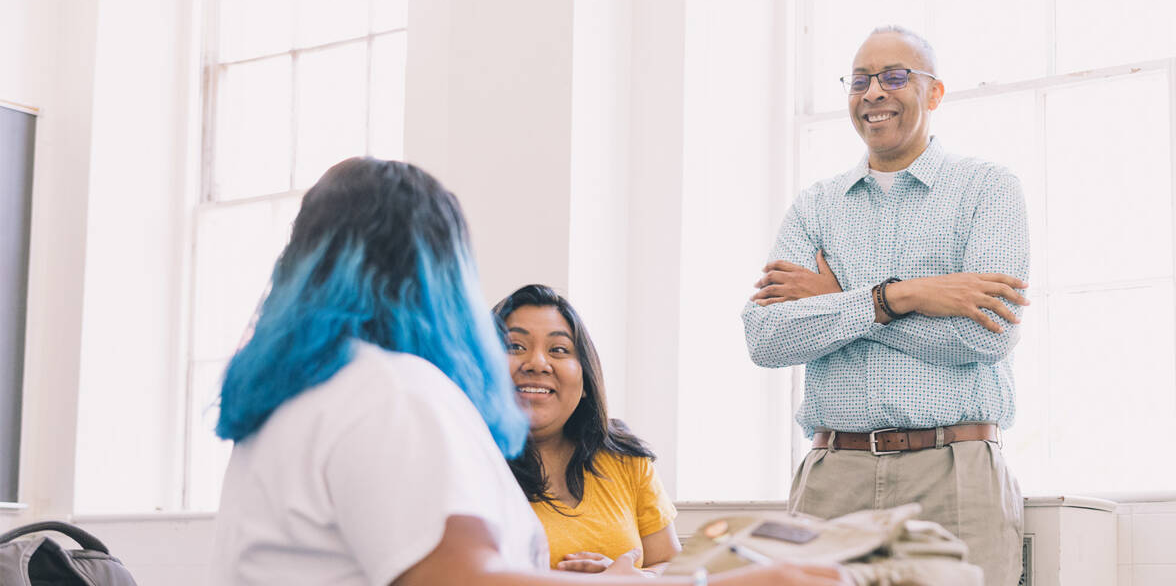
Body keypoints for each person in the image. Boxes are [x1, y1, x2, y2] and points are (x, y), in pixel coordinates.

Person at [210, 157, 843, 586]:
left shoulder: (298, 394)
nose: (536, 363)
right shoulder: (389, 392)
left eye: (560, 349)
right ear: (437, 273)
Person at [741, 26, 1031, 586]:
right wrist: (902, 296)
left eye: (894, 77)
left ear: (935, 93)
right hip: (833, 477)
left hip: (955, 473)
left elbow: (987, 337)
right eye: (859, 80)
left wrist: (840, 306)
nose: (874, 92)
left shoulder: (988, 189)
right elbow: (766, 338)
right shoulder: (815, 207)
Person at [494, 285, 679, 576]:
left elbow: (675, 567)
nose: (538, 363)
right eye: (515, 346)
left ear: (585, 378)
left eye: (558, 349)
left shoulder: (625, 457)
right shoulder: (465, 462)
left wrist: (636, 579)